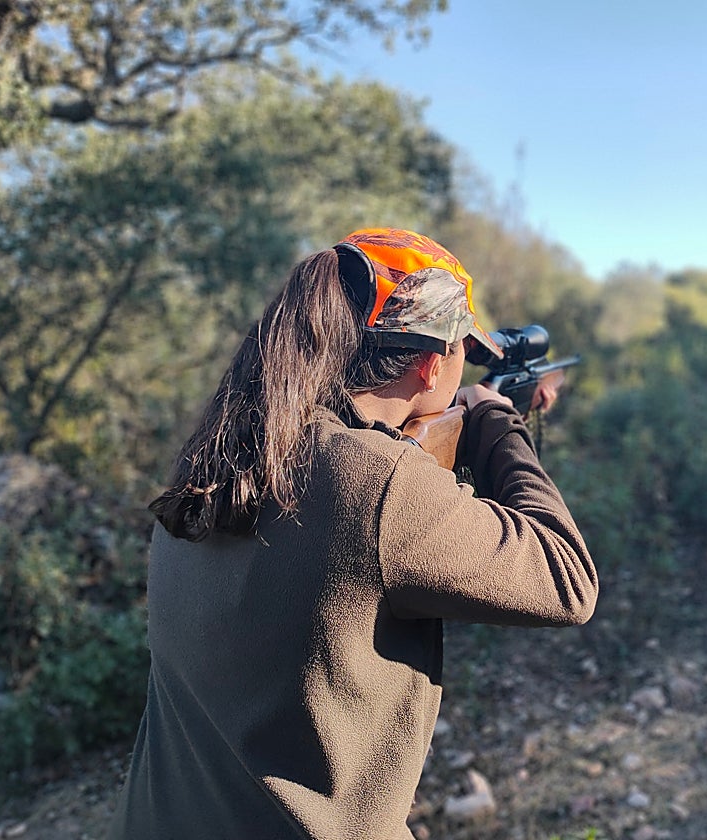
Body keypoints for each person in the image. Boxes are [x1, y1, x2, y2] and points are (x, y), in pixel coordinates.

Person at [108, 228, 597, 839]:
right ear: (428, 364)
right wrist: (496, 420)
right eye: (463, 353)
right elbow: (567, 579)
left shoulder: (218, 458)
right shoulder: (375, 480)